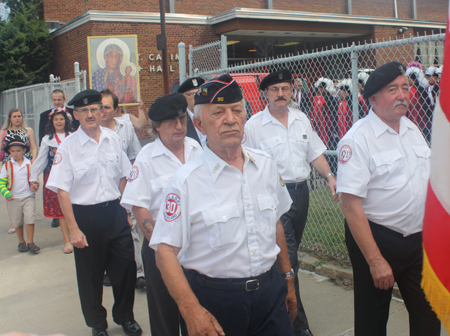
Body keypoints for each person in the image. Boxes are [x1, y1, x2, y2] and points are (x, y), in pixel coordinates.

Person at [150, 74, 297, 336]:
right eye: (218, 112)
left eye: (237, 110)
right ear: (199, 124)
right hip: (215, 301)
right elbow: (165, 253)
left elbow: (275, 224)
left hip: (269, 294)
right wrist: (191, 310)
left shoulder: (265, 165)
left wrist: (288, 279)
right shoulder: (186, 181)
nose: (230, 119)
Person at [336, 61, 441, 336]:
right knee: (372, 321)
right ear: (373, 98)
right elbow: (350, 205)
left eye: (405, 88)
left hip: (417, 240)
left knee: (428, 315)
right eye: (392, 89)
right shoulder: (357, 139)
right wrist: (375, 260)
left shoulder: (412, 130)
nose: (402, 94)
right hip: (377, 239)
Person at [244, 69, 339, 336]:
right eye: (275, 90)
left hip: (301, 192)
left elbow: (315, 153)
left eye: (285, 88)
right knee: (290, 259)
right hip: (273, 196)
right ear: (266, 94)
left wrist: (330, 176)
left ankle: (273, 307)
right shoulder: (253, 126)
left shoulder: (301, 119)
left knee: (283, 258)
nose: (281, 94)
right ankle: (297, 326)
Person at [46, 89, 142, 336]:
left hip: (115, 212)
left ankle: (125, 316)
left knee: (125, 270)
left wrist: (127, 213)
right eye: (84, 111)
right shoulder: (68, 147)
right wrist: (74, 229)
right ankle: (98, 325)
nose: (90, 114)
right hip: (86, 217)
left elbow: (123, 176)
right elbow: (62, 191)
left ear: (102, 111)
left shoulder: (112, 138)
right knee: (90, 277)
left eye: (94, 109)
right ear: (75, 115)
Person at [121, 92, 203, 336]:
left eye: (182, 120)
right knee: (164, 314)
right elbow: (138, 205)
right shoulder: (147, 159)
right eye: (171, 122)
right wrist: (159, 244)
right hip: (160, 245)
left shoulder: (197, 149)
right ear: (157, 126)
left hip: (196, 243)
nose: (179, 126)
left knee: (196, 309)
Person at [99, 89, 144, 289]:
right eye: (99, 107)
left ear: (116, 109)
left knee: (132, 229)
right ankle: (111, 270)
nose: (102, 111)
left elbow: (135, 156)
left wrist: (136, 187)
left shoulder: (125, 128)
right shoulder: (91, 131)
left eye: (107, 107)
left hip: (125, 189)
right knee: (107, 234)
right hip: (103, 194)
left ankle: (138, 273)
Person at [30, 108, 74, 254]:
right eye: (56, 119)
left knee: (75, 206)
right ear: (52, 122)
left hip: (73, 177)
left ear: (66, 120)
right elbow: (41, 159)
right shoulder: (47, 139)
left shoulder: (73, 136)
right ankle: (67, 241)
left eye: (61, 119)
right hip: (54, 177)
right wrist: (33, 176)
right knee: (61, 209)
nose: (59, 122)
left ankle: (76, 234)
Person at [38, 89, 79, 228]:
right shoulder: (44, 116)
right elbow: (41, 139)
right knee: (55, 195)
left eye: (59, 99)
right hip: (52, 164)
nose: (57, 102)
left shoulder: (73, 114)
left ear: (64, 99)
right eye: (54, 100)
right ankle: (57, 217)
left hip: (71, 168)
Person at [1, 108, 38, 234]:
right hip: (9, 164)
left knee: (28, 189)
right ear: (10, 118)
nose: (17, 118)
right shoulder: (4, 132)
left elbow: (33, 146)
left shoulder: (28, 130)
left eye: (19, 116)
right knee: (11, 191)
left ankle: (27, 217)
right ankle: (14, 221)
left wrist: (34, 160)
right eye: (15, 116)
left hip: (26, 164)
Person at [0, 135, 39, 253]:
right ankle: (21, 242)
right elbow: (2, 182)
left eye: (18, 150)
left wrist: (35, 186)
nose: (15, 153)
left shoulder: (30, 164)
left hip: (28, 196)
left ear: (24, 151)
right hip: (14, 198)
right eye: (12, 151)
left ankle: (30, 242)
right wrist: (6, 193)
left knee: (30, 218)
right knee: (17, 221)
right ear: (9, 152)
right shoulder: (7, 165)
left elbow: (35, 180)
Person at [177, 76, 206, 145]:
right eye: (193, 94)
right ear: (184, 97)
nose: (198, 97)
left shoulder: (211, 115)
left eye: (200, 93)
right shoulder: (179, 118)